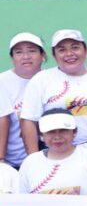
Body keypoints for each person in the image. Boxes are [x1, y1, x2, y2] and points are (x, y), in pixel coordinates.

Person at [20, 29, 87, 155]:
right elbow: (29, 121)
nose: (69, 53)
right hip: (55, 151)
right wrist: (34, 158)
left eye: (75, 47)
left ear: (86, 51)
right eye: (62, 49)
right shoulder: (41, 80)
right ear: (54, 55)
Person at [1, 32, 46, 170]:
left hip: (48, 159)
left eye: (32, 51)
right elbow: (3, 120)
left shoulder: (51, 78)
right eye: (19, 52)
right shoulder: (2, 82)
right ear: (12, 58)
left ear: (42, 55)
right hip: (10, 163)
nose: (26, 57)